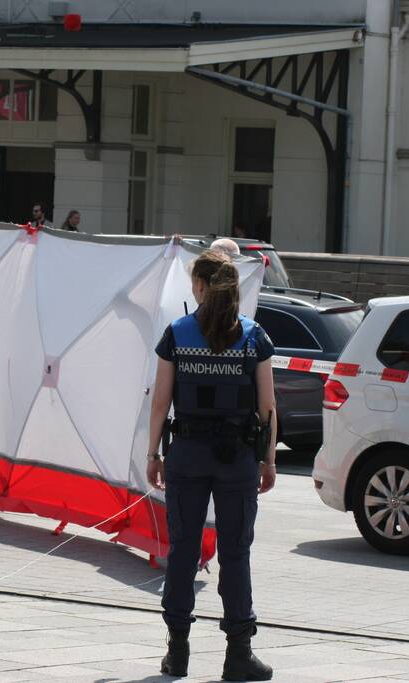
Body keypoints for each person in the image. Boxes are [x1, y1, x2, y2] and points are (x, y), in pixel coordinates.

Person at [146, 249, 277, 682]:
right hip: (237, 457)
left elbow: (161, 400)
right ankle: (238, 654)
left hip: (186, 453)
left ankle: (177, 652)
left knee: (183, 551)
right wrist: (269, 459)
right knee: (235, 552)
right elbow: (267, 407)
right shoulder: (254, 336)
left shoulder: (178, 333)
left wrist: (153, 453)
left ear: (201, 287)